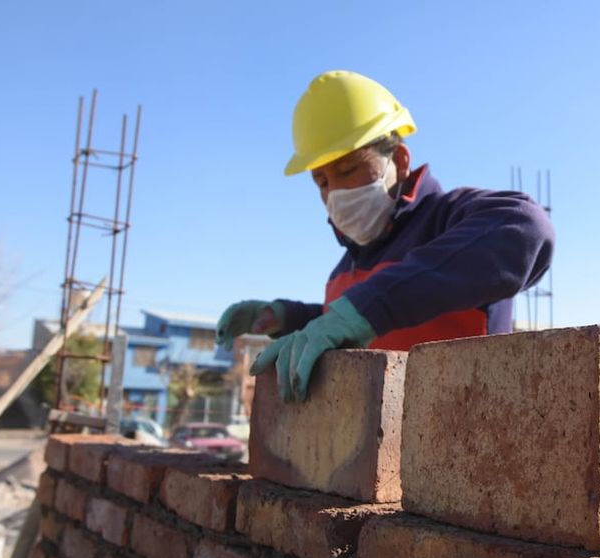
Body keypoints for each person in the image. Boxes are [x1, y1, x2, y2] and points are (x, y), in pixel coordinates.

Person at [215, 70, 555, 402]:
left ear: (401, 161)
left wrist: (366, 309)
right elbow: (361, 325)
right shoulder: (345, 267)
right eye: (322, 181)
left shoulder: (451, 219)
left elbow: (526, 226)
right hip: (375, 450)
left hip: (466, 440)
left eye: (349, 169)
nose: (335, 193)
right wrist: (288, 318)